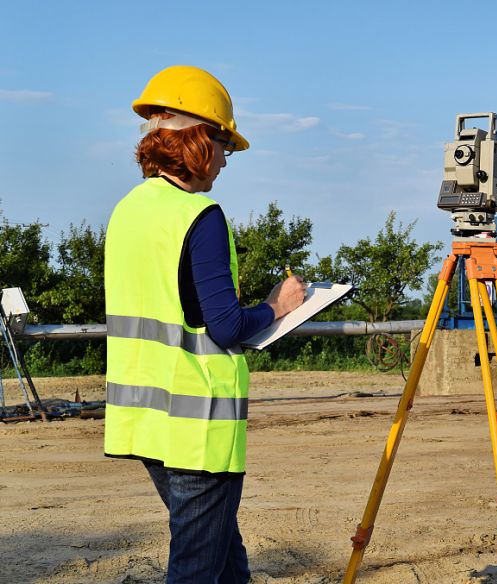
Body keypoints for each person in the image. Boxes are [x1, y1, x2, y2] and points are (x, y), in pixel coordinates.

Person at [103, 65, 306, 583]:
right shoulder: (201, 215)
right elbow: (225, 326)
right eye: (225, 144)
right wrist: (279, 306)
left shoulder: (127, 211)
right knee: (195, 568)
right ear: (198, 140)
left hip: (147, 424)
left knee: (221, 551)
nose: (225, 159)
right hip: (198, 429)